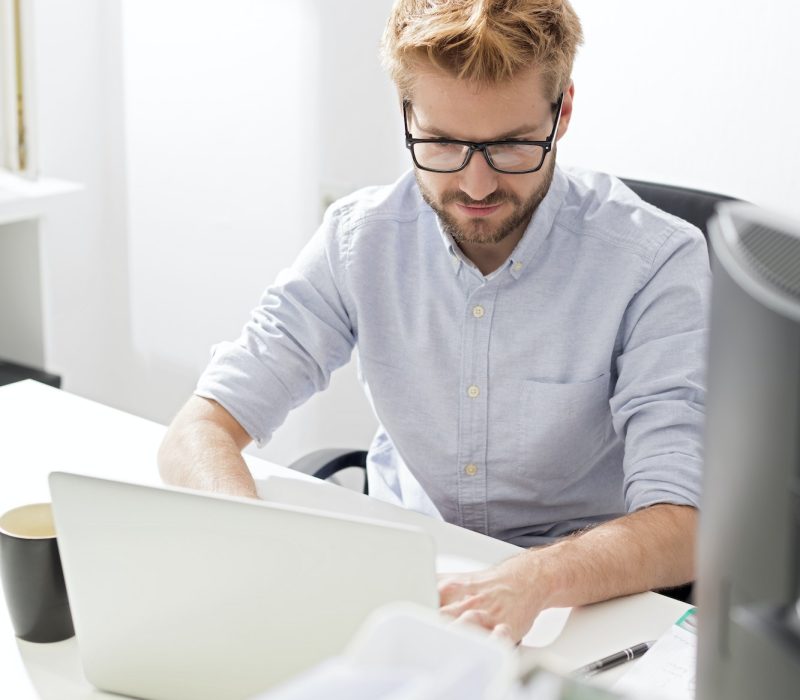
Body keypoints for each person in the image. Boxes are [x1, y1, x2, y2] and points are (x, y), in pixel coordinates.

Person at [158, 0, 708, 643]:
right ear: (406, 114)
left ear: (562, 112)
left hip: (579, 601)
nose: (476, 184)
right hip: (403, 585)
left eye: (509, 145)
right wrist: (252, 539)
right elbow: (198, 429)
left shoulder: (654, 262)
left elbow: (684, 524)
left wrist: (532, 578)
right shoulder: (360, 239)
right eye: (443, 142)